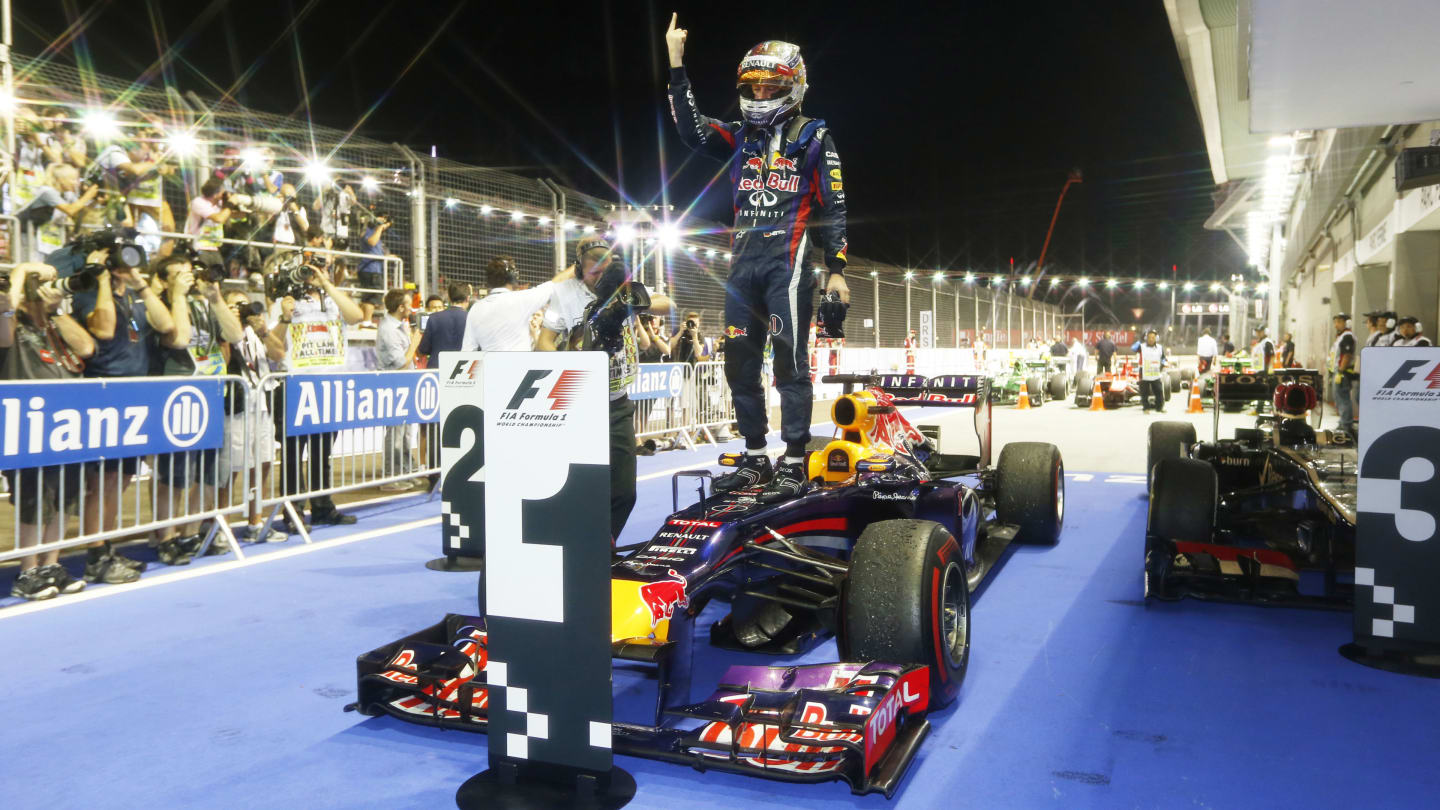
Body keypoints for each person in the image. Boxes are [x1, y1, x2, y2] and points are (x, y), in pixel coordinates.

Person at [666, 17, 849, 502]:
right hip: (741, 268)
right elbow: (691, 131)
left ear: (794, 86)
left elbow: (834, 207)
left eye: (772, 86)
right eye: (754, 85)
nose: (762, 93)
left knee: (790, 364)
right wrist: (676, 63)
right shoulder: (739, 138)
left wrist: (837, 270)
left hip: (786, 267)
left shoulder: (814, 139)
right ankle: (753, 456)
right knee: (739, 365)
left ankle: (793, 459)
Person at [536, 236, 672, 540]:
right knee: (579, 487)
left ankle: (602, 545)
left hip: (617, 403)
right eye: (592, 268)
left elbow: (667, 304)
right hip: (579, 404)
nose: (599, 274)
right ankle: (581, 548)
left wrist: (634, 302)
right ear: (579, 268)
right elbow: (543, 341)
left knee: (625, 492)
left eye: (605, 267)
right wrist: (569, 365)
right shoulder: (564, 294)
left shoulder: (625, 287)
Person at [71, 250, 182, 584]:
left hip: (134, 397)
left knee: (120, 481)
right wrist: (103, 278)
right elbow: (103, 330)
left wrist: (141, 286)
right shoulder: (88, 292)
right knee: (101, 484)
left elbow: (168, 326)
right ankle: (95, 555)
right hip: (103, 396)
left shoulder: (135, 296)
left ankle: (107, 548)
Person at [0, 263, 96, 599]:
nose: (48, 288)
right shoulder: (13, 322)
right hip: (28, 426)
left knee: (65, 499)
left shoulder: (53, 325)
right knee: (34, 500)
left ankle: (51, 564)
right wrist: (21, 273)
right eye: (39, 285)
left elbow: (85, 348)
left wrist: (55, 310)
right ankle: (27, 572)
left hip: (66, 426)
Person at [149, 253, 245, 564]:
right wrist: (177, 294)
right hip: (177, 396)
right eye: (179, 274)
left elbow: (235, 335)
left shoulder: (203, 303)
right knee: (174, 475)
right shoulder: (160, 304)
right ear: (164, 280)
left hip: (211, 393)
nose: (188, 279)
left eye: (189, 273)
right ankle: (166, 536)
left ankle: (190, 532)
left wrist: (216, 299)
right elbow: (179, 339)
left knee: (206, 474)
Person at [262, 258, 366, 527]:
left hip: (328, 386)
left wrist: (327, 285)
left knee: (322, 454)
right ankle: (293, 512)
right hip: (295, 385)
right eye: (307, 270)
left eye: (319, 270)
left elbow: (356, 316)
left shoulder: (333, 299)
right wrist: (286, 316)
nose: (312, 275)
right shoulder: (284, 303)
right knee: (293, 455)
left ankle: (322, 506)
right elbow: (273, 347)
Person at [220, 289, 285, 543]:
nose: (242, 309)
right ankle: (222, 528)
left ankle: (255, 523)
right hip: (235, 405)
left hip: (261, 404)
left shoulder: (257, 332)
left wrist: (264, 330)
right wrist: (230, 322)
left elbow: (279, 354)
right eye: (235, 305)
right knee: (231, 468)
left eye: (244, 305)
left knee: (264, 463)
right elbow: (224, 361)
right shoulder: (223, 329)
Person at [462, 257, 570, 351]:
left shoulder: (476, 308)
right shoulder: (521, 299)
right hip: (520, 371)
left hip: (489, 371)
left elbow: (467, 350)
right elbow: (555, 283)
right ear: (513, 277)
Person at [375, 288, 423, 491]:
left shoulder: (398, 326)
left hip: (402, 384)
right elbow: (401, 362)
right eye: (408, 303)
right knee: (395, 432)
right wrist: (414, 343)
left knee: (404, 432)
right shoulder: (388, 330)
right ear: (401, 307)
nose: (412, 307)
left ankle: (403, 471)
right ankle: (390, 477)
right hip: (393, 385)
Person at [14, 163, 99, 259]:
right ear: (61, 180)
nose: (76, 183)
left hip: (47, 238)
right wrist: (88, 195)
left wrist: (95, 201)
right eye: (72, 179)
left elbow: (79, 212)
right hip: (28, 236)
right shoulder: (47, 192)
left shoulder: (67, 194)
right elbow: (70, 210)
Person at [186, 178, 237, 276]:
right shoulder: (198, 202)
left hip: (214, 247)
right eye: (223, 191)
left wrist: (229, 202)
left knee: (218, 278)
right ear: (215, 194)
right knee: (202, 277)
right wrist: (230, 204)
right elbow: (219, 218)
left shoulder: (219, 204)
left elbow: (236, 215)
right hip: (199, 246)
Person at [418, 282, 472, 364]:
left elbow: (423, 350)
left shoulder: (433, 318)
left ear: (449, 298)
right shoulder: (472, 319)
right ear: (468, 298)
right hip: (464, 369)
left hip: (437, 370)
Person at [355, 208, 392, 322]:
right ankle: (366, 322)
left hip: (374, 269)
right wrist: (380, 227)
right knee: (371, 297)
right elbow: (371, 242)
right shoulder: (368, 230)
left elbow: (376, 250)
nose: (385, 224)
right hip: (369, 268)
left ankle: (363, 320)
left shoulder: (375, 233)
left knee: (371, 297)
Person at [1328, 314, 1357, 436]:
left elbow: (1347, 355)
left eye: (1339, 321)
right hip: (1337, 372)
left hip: (1342, 373)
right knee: (1339, 399)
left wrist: (1340, 371)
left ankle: (1346, 425)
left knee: (1343, 399)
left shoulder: (1347, 337)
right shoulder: (1341, 337)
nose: (1336, 325)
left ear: (1347, 323)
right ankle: (1343, 423)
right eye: (1335, 322)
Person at [1137, 328, 1167, 414]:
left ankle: (1159, 408)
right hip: (1144, 372)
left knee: (1159, 391)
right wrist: (1140, 340)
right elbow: (1133, 348)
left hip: (1155, 373)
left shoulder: (1160, 348)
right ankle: (1146, 408)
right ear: (1146, 338)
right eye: (1149, 337)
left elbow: (1163, 358)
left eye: (1153, 337)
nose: (1151, 339)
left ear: (1156, 338)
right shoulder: (1141, 346)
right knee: (1144, 392)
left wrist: (1163, 364)